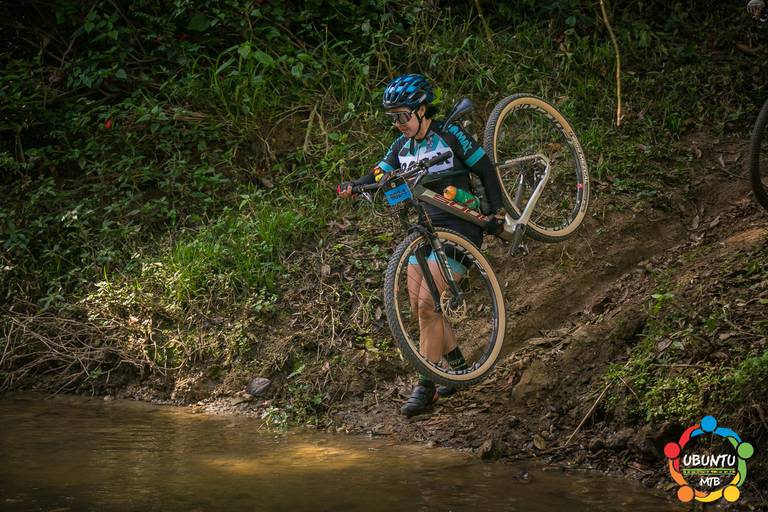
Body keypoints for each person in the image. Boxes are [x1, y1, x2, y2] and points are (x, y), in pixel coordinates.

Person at [337, 74, 506, 417]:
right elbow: (380, 174)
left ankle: (426, 385)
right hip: (425, 229)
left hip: (459, 226)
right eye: (393, 118)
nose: (398, 123)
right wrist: (356, 185)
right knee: (419, 306)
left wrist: (496, 211)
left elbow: (486, 168)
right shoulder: (402, 146)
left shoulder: (449, 133)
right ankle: (457, 368)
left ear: (422, 110)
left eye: (403, 116)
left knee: (429, 305)